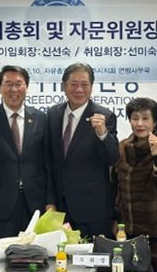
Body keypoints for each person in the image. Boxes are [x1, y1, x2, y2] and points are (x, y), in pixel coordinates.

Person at [0, 65, 54, 241]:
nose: (14, 89)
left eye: (19, 84)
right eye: (8, 84)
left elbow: (48, 163)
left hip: (35, 204)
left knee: (35, 253)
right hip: (1, 204)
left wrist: (50, 201)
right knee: (3, 254)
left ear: (27, 87)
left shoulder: (41, 118)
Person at [47, 62, 119, 238]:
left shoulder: (105, 116)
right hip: (59, 209)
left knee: (93, 255)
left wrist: (102, 133)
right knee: (60, 255)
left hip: (92, 209)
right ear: (64, 86)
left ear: (92, 87)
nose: (79, 89)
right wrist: (50, 201)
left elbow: (112, 157)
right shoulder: (52, 114)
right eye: (74, 84)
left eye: (84, 84)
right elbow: (48, 161)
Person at [113, 97, 157, 259]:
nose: (139, 124)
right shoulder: (123, 146)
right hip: (128, 230)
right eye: (135, 118)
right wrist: (116, 220)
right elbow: (116, 188)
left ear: (155, 122)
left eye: (145, 118)